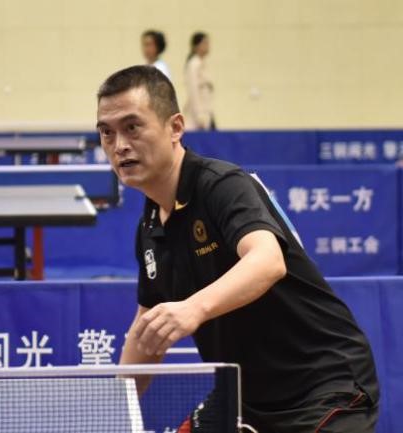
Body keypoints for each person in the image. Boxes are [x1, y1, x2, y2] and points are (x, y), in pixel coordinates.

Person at [96, 65, 379, 433]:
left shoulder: (221, 185)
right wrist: (111, 411)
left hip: (322, 387)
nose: (119, 145)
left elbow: (267, 260)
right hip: (244, 397)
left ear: (175, 127)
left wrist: (193, 308)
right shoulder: (150, 226)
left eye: (132, 127)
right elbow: (146, 332)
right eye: (107, 132)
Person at [183, 32, 215, 130]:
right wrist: (199, 116)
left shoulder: (203, 63)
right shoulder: (194, 64)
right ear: (196, 46)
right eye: (204, 43)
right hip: (196, 116)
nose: (207, 46)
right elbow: (193, 91)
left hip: (205, 112)